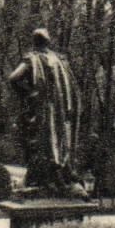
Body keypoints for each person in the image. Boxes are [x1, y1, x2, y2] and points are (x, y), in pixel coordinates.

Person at [8, 28, 81, 194]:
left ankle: (48, 179)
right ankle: (59, 176)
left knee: (44, 142)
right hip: (60, 110)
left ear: (35, 42)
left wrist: (29, 93)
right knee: (59, 141)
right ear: (48, 41)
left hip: (42, 109)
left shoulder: (32, 59)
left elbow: (14, 78)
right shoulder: (59, 60)